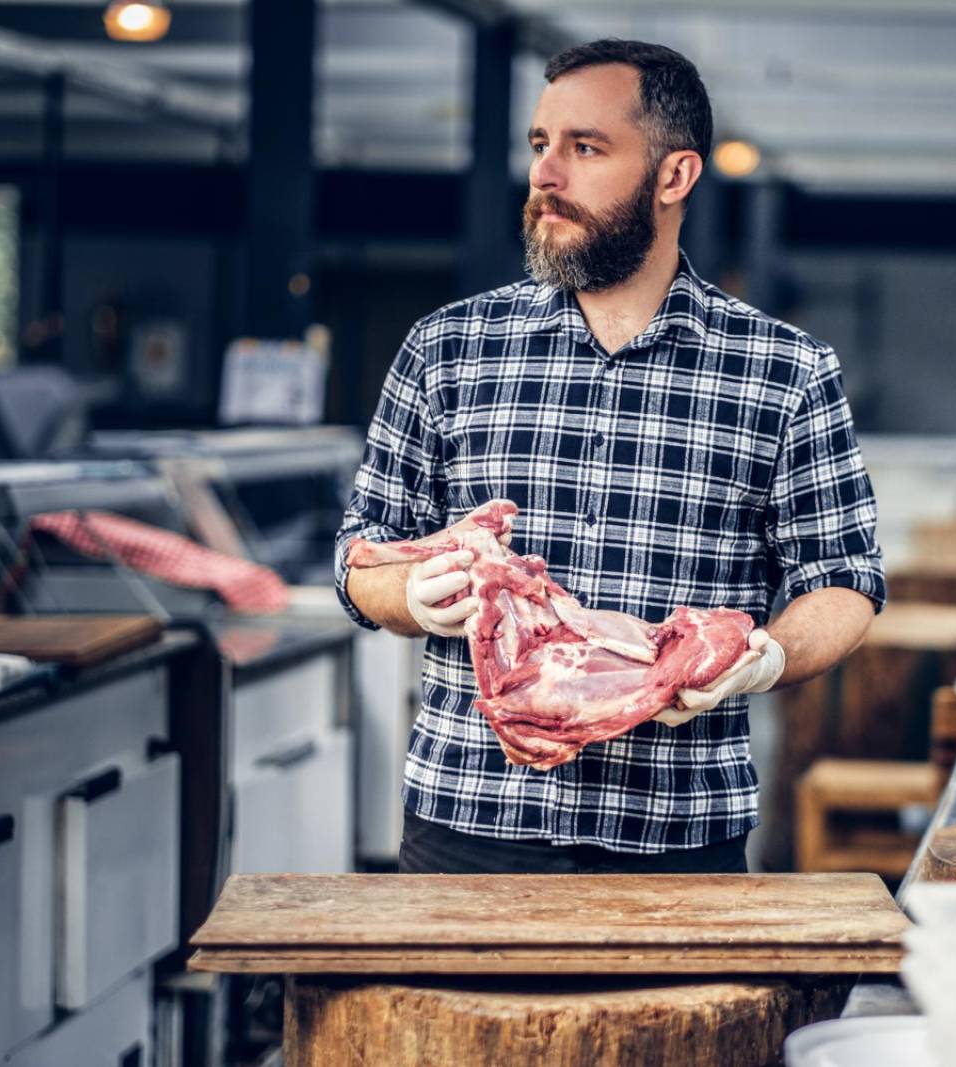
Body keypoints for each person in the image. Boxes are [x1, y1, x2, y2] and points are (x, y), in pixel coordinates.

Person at [336, 39, 884, 875]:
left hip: (677, 841)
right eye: (539, 145)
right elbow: (357, 556)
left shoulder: (785, 372)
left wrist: (761, 657)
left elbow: (844, 579)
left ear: (674, 178)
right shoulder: (448, 349)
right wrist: (410, 591)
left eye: (584, 148)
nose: (546, 175)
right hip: (468, 831)